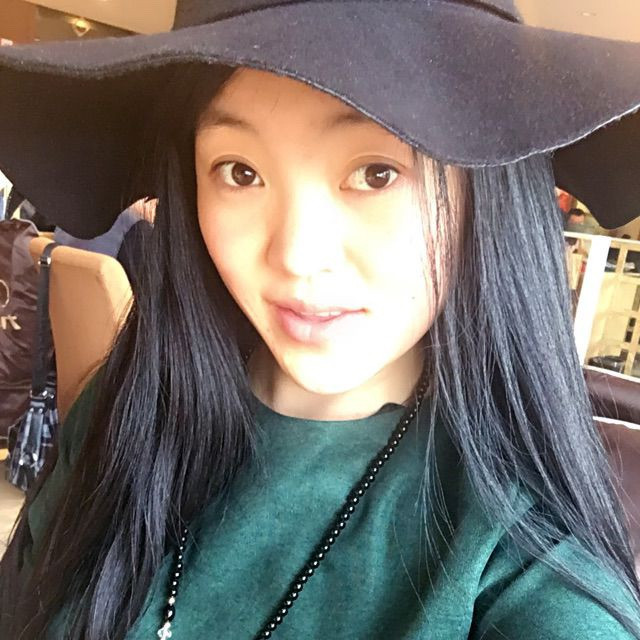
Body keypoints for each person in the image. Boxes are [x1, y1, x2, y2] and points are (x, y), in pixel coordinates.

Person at [0, 2, 640, 639]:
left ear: (487, 190)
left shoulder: (524, 566)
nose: (297, 256)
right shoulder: (133, 408)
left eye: (376, 173)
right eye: (240, 172)